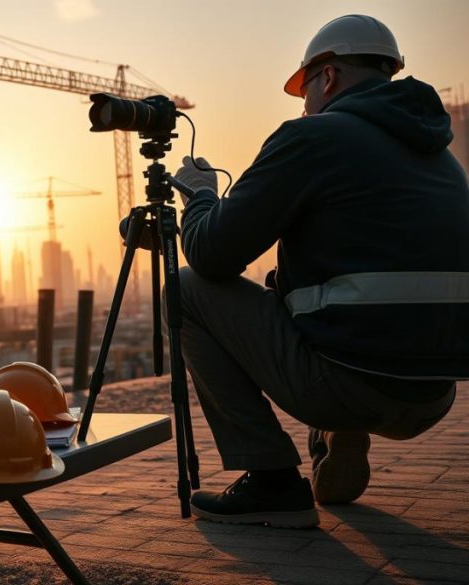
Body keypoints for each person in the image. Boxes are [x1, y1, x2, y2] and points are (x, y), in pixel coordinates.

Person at [170, 14, 469, 528]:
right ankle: (338, 435)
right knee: (287, 288)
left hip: (348, 385)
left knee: (184, 289)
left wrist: (199, 196)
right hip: (432, 395)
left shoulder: (312, 138)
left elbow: (211, 254)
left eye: (304, 89)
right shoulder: (443, 158)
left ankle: (272, 482)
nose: (304, 104)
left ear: (326, 76)